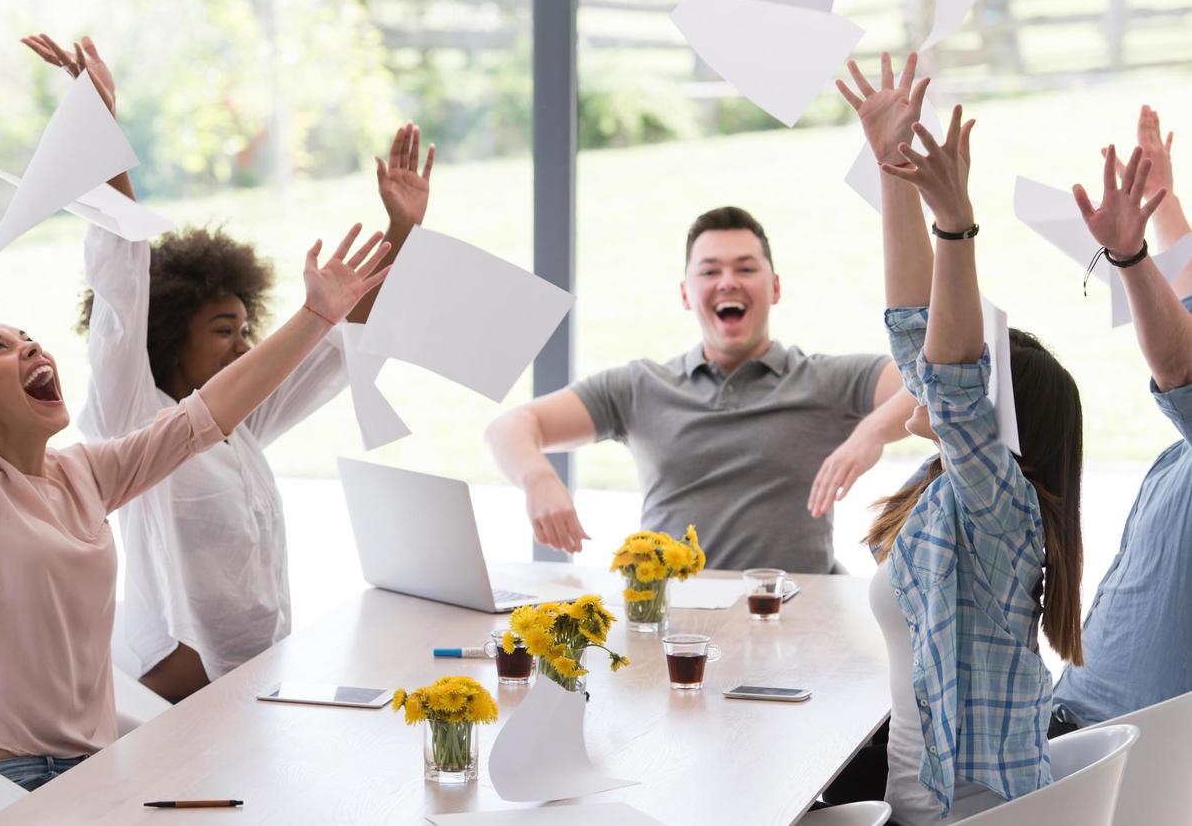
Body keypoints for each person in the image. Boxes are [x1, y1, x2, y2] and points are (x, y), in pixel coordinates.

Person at [0, 62, 390, 791]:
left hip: (103, 766)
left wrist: (318, 316)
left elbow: (210, 413)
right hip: (18, 781)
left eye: (26, 336)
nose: (27, 346)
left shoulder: (84, 475)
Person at [22, 33, 433, 702]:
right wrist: (98, 117)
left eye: (246, 330)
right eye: (222, 331)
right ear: (167, 336)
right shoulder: (133, 418)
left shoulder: (240, 422)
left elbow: (340, 341)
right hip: (176, 691)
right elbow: (123, 269)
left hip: (259, 682)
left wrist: (401, 228)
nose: (244, 348)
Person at [837, 52, 1086, 823]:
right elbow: (919, 337)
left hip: (964, 816)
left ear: (997, 422)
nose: (934, 375)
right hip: (935, 806)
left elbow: (944, 378)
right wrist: (890, 169)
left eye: (976, 375)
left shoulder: (998, 507)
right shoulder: (961, 494)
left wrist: (955, 224)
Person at [485, 204, 916, 573]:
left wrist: (872, 430)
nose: (728, 281)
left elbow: (932, 382)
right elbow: (509, 427)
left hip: (791, 622)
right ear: (687, 294)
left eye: (745, 268)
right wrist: (538, 478)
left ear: (776, 287)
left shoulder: (827, 380)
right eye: (710, 271)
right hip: (670, 625)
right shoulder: (639, 386)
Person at [1051, 106, 1192, 734]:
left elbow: (1179, 359)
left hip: (1126, 760)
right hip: (1081, 723)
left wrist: (1132, 257)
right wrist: (1164, 206)